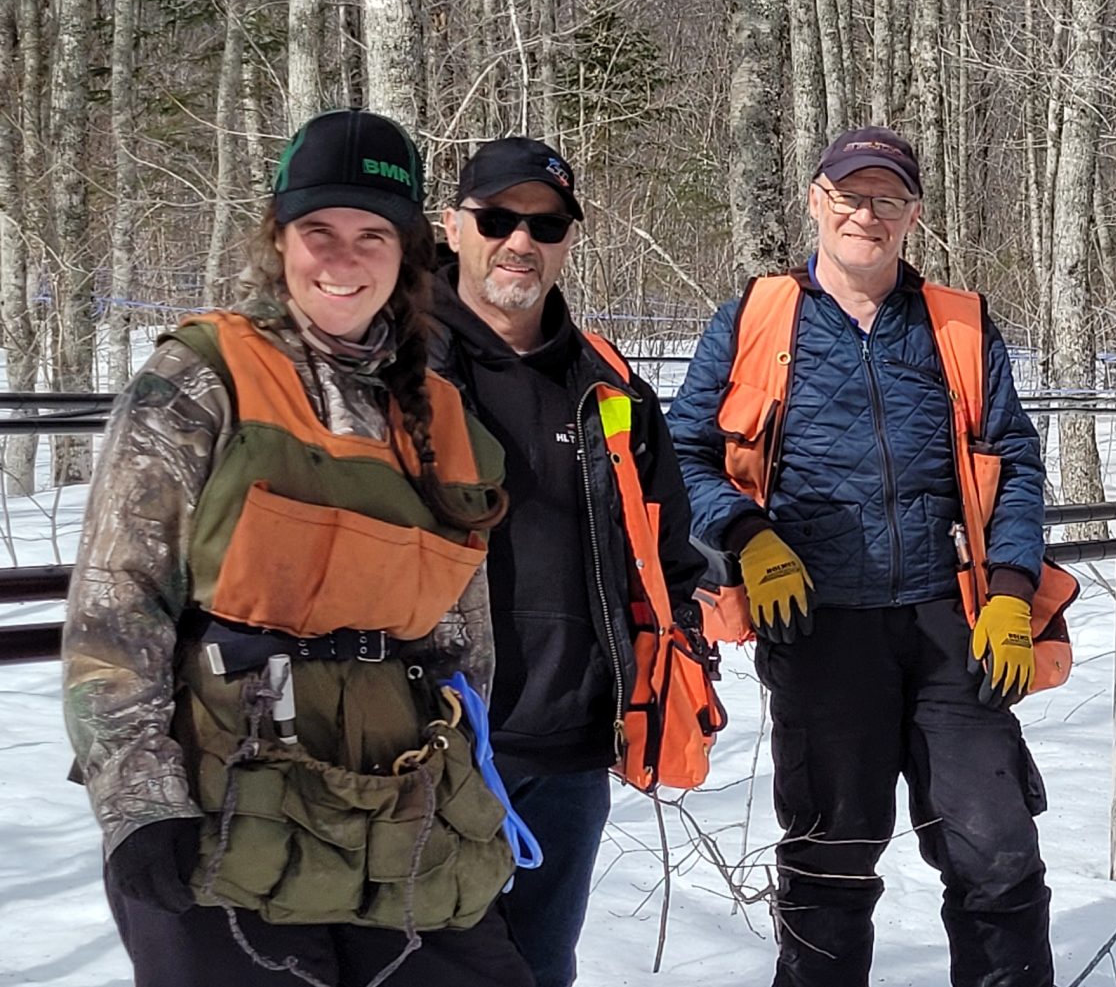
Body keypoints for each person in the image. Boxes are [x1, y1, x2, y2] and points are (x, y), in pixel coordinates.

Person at [62, 109, 534, 985]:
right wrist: (138, 803)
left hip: (408, 815)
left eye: (371, 234)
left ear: (406, 255)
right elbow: (117, 602)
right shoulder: (202, 378)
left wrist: (474, 784)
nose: (343, 258)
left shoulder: (439, 413)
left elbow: (465, 639)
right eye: (318, 231)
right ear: (279, 241)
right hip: (231, 804)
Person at [667, 125, 1057, 987]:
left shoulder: (957, 323)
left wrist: (1010, 589)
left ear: (913, 214)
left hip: (952, 624)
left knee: (996, 852)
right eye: (850, 195)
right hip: (819, 624)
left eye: (888, 199)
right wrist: (746, 536)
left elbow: (1016, 459)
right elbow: (681, 453)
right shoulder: (757, 317)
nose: (867, 216)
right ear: (817, 200)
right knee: (830, 859)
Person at [429, 137, 710, 987]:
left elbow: (666, 551)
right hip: (425, 745)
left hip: (567, 752)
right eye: (498, 218)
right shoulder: (394, 366)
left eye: (545, 224)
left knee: (540, 971)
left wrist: (677, 657)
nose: (522, 240)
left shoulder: (609, 385)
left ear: (567, 241)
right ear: (453, 227)